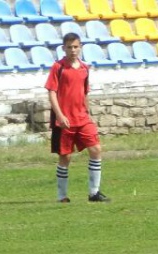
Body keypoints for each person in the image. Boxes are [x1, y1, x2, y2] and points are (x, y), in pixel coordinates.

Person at [45, 32, 108, 204]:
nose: (73, 50)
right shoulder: (58, 67)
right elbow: (52, 92)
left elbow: (84, 92)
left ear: (80, 47)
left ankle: (94, 193)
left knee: (96, 149)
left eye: (76, 47)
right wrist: (59, 115)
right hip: (64, 120)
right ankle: (61, 196)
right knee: (65, 157)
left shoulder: (84, 68)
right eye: (69, 47)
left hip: (82, 118)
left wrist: (88, 112)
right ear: (63, 48)